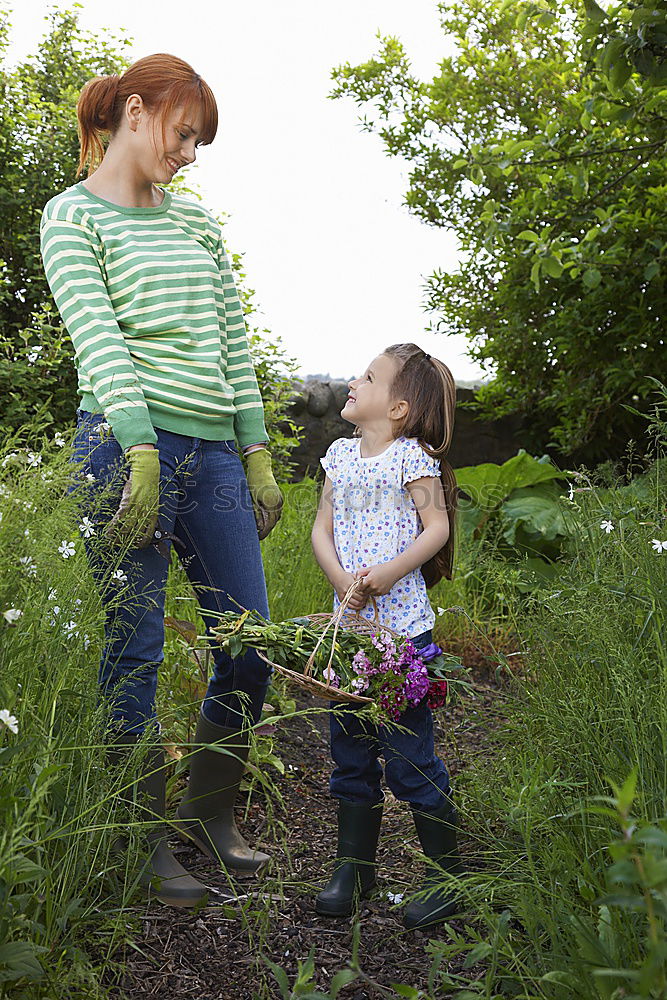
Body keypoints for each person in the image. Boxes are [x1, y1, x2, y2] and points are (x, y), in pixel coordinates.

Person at [39, 54, 284, 908]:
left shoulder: (199, 226)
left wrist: (253, 451)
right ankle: (141, 846)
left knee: (249, 646)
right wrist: (140, 449)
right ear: (137, 112)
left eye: (197, 144)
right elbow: (98, 338)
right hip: (120, 449)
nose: (188, 155)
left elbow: (230, 341)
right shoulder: (69, 217)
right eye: (184, 135)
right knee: (134, 653)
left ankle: (209, 816)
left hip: (214, 454)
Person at [310, 342, 462, 929]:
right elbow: (322, 531)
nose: (353, 381)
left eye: (368, 377)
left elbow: (436, 527)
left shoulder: (411, 459)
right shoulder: (338, 457)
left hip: (401, 639)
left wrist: (389, 572)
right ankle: (356, 869)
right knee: (349, 754)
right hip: (350, 637)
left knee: (408, 759)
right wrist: (342, 578)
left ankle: (448, 876)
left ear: (397, 408)